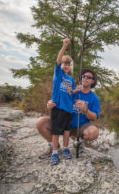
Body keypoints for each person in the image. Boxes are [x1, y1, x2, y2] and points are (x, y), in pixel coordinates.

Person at [36, 68, 100, 160]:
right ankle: (53, 145)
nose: (85, 78)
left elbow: (94, 117)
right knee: (40, 122)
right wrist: (51, 103)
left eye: (88, 77)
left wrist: (85, 110)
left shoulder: (94, 98)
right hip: (63, 123)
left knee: (93, 132)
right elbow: (58, 98)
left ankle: (79, 143)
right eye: (84, 76)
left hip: (79, 127)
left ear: (92, 81)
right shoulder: (72, 91)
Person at [48, 37, 75, 165]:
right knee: (55, 131)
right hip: (57, 107)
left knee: (66, 130)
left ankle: (65, 148)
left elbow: (71, 92)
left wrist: (77, 90)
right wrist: (64, 45)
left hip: (68, 108)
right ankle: (54, 152)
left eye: (68, 65)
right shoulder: (58, 74)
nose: (66, 66)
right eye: (64, 64)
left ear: (70, 67)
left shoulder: (71, 79)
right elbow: (58, 59)